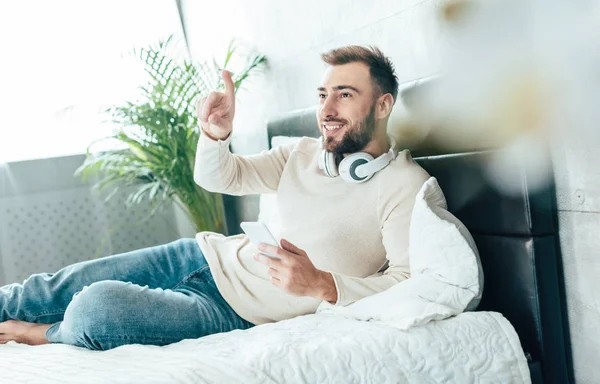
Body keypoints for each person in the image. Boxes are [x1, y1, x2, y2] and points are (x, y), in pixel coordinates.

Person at [0, 45, 430, 350]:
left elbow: (408, 283)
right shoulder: (301, 153)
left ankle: (40, 334)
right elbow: (219, 176)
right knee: (56, 285)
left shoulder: (403, 185)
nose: (327, 109)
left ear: (383, 105)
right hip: (202, 256)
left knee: (96, 309)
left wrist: (322, 284)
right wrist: (215, 134)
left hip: (233, 310)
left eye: (345, 95)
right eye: (323, 95)